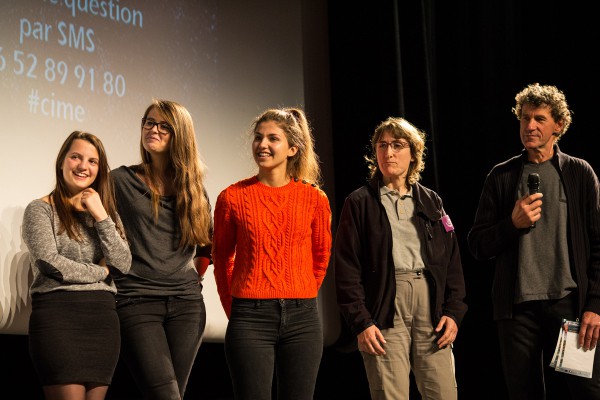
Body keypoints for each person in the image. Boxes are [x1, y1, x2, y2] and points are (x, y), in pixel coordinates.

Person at [468, 83, 600, 399]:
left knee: (586, 392)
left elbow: (598, 244)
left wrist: (595, 304)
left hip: (568, 304)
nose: (530, 126)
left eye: (539, 119)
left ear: (559, 125)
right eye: (525, 118)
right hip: (517, 311)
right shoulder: (501, 176)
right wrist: (511, 225)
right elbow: (477, 244)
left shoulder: (579, 173)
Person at [334, 117, 467, 400]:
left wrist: (454, 312)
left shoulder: (431, 201)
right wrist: (362, 322)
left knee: (443, 392)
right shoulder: (359, 202)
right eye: (382, 146)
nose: (388, 153)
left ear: (413, 153)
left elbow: (451, 261)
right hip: (385, 306)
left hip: (429, 306)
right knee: (390, 394)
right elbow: (346, 269)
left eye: (397, 145)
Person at [212, 107, 332, 400]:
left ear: (292, 148)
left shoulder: (314, 198)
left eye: (272, 139)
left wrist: (299, 292)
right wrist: (235, 309)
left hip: (303, 318)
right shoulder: (232, 197)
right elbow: (221, 257)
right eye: (258, 137)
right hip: (249, 317)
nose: (262, 144)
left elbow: (321, 255)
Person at [111, 99, 213, 400]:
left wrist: (198, 272)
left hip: (187, 305)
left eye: (163, 126)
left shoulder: (193, 188)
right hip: (137, 301)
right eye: (148, 122)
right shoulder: (120, 180)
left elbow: (206, 240)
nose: (152, 129)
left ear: (179, 135)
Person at [22, 131, 131, 400]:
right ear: (62, 161)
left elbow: (123, 264)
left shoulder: (104, 214)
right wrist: (101, 272)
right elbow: (51, 264)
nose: (83, 166)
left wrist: (101, 214)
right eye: (76, 157)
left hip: (103, 321)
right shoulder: (40, 209)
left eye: (93, 161)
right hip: (59, 318)